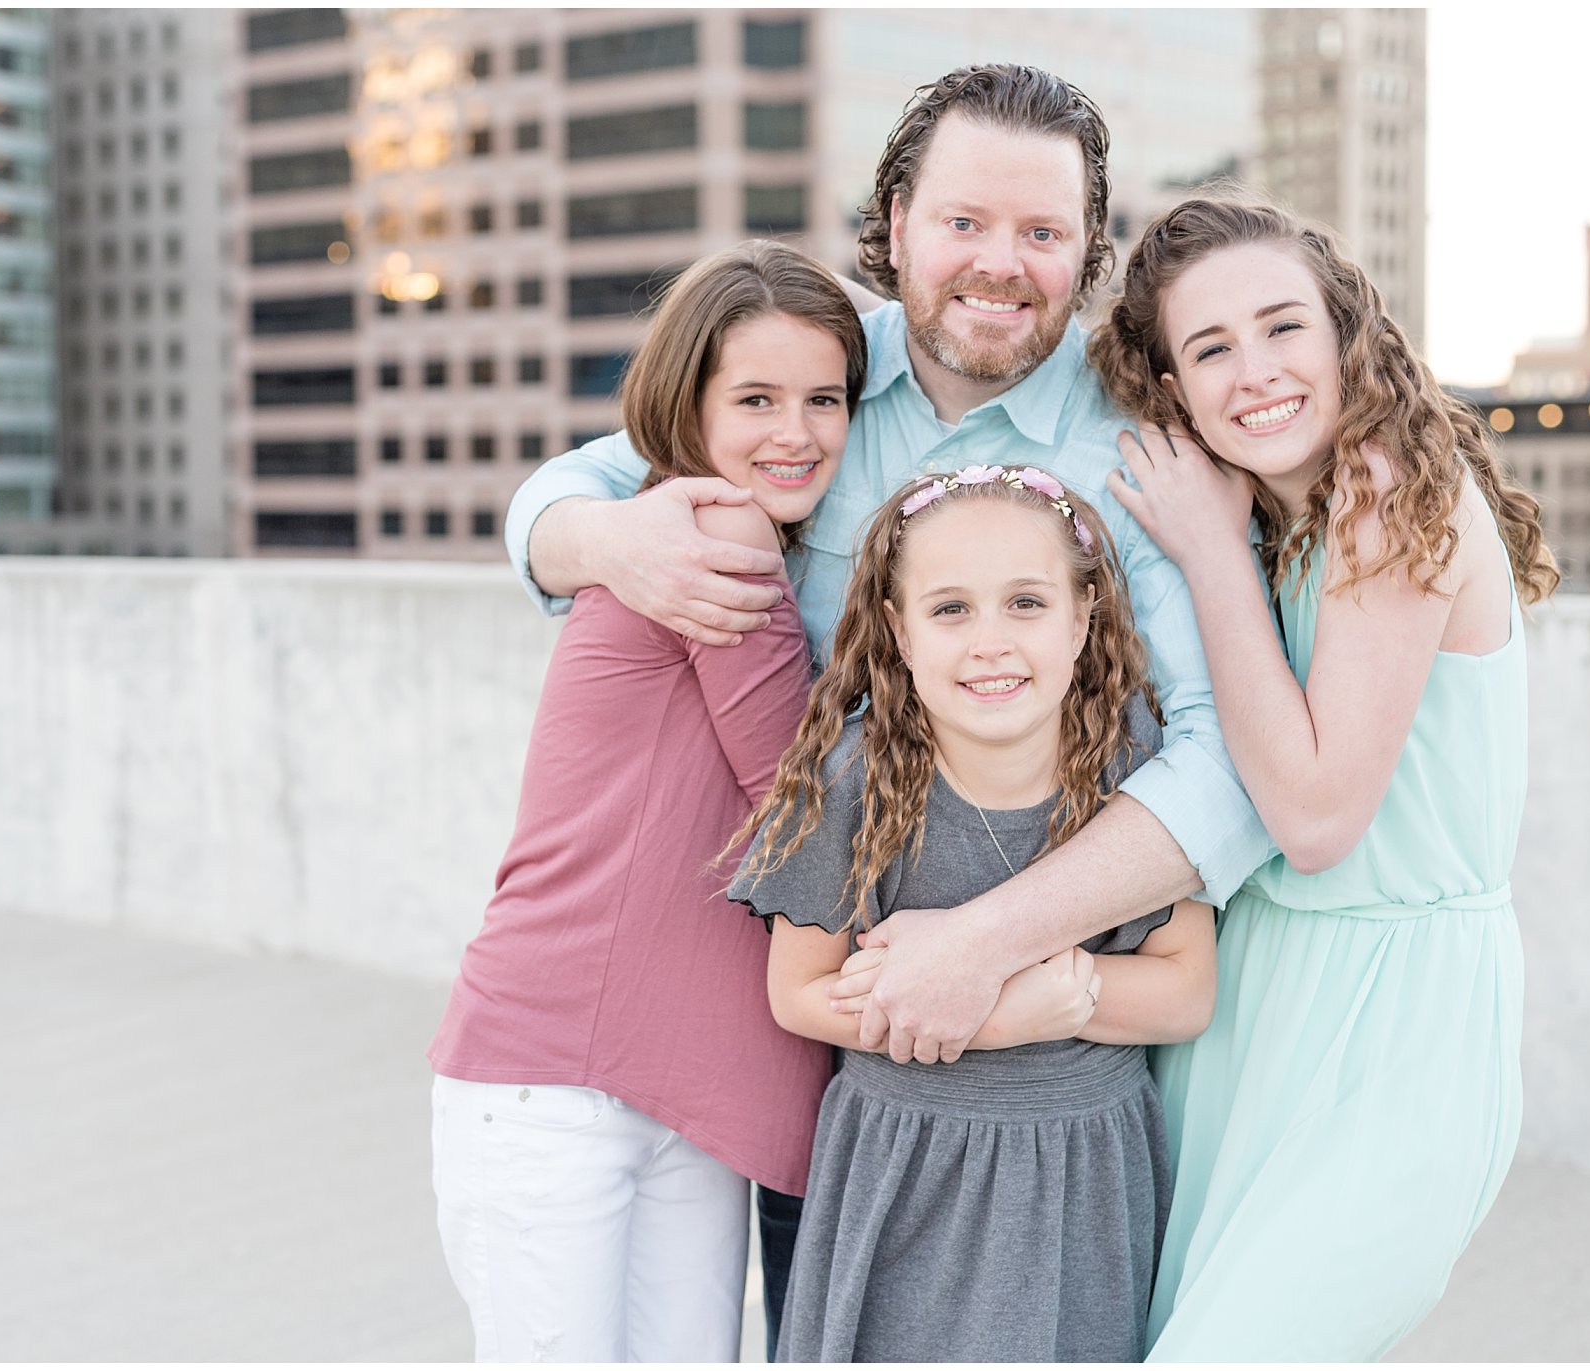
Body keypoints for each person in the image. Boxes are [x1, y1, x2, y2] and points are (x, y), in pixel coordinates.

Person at [504, 65, 1268, 1075]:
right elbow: (574, 485)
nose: (999, 265)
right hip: (814, 1021)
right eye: (964, 223)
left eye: (1040, 233)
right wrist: (606, 541)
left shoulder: (1141, 453)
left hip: (1055, 1049)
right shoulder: (815, 380)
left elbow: (1225, 756)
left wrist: (982, 946)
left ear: (1086, 248)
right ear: (898, 223)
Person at [1087, 189, 1560, 1360]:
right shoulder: (1269, 523)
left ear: (1345, 330)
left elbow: (1311, 814)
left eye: (1281, 325)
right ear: (1170, 390)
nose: (1254, 371)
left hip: (1394, 1025)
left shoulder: (1391, 492)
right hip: (1241, 1014)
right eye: (1209, 348)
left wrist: (1205, 551)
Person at [424, 241, 865, 1362]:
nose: (795, 432)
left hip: (686, 1091)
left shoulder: (699, 526)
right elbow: (795, 802)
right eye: (755, 399)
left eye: (823, 399)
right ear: (687, 405)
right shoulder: (714, 528)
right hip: (554, 1082)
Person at [727, 465, 1217, 1362]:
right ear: (900, 634)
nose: (990, 641)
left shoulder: (1131, 771)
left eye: (1025, 603)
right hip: (905, 1170)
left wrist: (1017, 984)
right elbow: (799, 992)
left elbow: (1185, 991)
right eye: (951, 609)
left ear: (1083, 621)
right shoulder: (851, 781)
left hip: (1081, 1178)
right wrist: (1005, 1019)